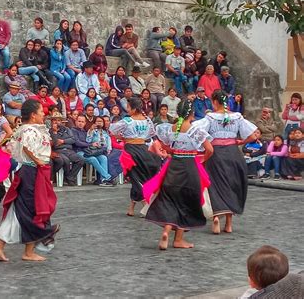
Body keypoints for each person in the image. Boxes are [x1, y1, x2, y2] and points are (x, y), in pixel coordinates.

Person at [0, 99, 60, 262]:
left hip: (30, 171)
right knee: (33, 208)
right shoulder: (29, 130)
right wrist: (38, 162)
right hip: (31, 171)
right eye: (41, 111)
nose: (43, 114)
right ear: (33, 115)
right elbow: (27, 148)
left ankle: (3, 246)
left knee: (20, 210)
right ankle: (28, 250)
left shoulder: (29, 129)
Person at [143, 100, 213, 250]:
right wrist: (202, 158)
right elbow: (210, 149)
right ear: (192, 114)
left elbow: (165, 145)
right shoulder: (195, 131)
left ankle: (166, 232)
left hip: (173, 166)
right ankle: (178, 239)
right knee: (186, 202)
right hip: (189, 167)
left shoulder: (172, 128)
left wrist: (173, 151)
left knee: (170, 200)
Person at [194, 90, 257, 235]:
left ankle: (216, 216)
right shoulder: (237, 117)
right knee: (232, 184)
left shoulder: (210, 117)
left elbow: (196, 130)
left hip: (216, 154)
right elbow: (253, 135)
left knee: (215, 184)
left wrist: (204, 144)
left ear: (215, 102)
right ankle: (229, 224)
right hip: (233, 152)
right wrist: (241, 141)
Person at [109, 97, 161, 216]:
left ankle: (145, 205)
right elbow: (151, 134)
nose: (127, 109)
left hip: (131, 151)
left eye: (128, 107)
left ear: (133, 108)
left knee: (136, 178)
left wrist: (123, 137)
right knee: (137, 177)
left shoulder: (128, 121)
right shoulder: (147, 120)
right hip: (143, 149)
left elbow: (112, 130)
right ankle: (132, 208)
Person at [72, 114, 113, 186]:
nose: (80, 123)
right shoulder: (73, 130)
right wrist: (91, 144)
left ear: (85, 123)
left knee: (103, 158)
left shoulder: (85, 132)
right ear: (76, 121)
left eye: (82, 122)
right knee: (93, 159)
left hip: (88, 152)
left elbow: (89, 141)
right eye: (79, 121)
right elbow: (77, 142)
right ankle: (107, 177)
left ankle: (103, 180)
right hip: (78, 152)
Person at [49, 112, 85, 186]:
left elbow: (73, 139)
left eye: (58, 120)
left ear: (61, 121)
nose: (56, 122)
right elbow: (55, 144)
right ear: (51, 121)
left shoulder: (67, 129)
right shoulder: (50, 131)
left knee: (80, 159)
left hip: (69, 150)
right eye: (54, 120)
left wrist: (63, 141)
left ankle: (70, 177)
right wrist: (55, 132)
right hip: (59, 151)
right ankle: (67, 178)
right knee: (65, 161)